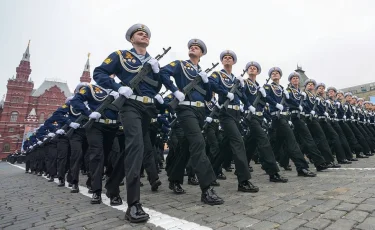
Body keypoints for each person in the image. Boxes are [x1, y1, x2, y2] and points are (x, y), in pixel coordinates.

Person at [159, 39, 224, 205]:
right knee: (198, 143)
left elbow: (208, 96)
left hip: (200, 111)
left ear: (201, 54)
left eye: (197, 47)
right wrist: (175, 90)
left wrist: (207, 82)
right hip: (185, 109)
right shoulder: (180, 64)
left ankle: (174, 178)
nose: (193, 47)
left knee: (187, 147)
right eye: (191, 46)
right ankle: (207, 188)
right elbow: (163, 72)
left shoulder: (201, 72)